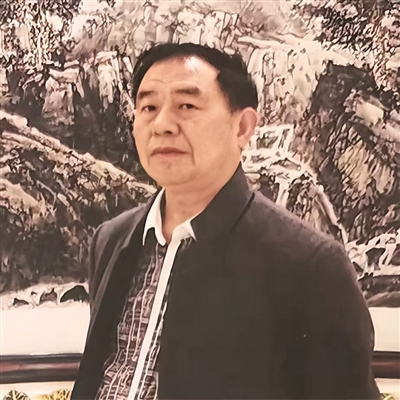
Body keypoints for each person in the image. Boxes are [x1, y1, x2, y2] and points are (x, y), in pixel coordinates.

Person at [71, 42, 380, 400]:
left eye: (187, 105)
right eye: (149, 107)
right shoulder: (112, 240)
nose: (162, 125)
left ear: (242, 126)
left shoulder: (311, 265)